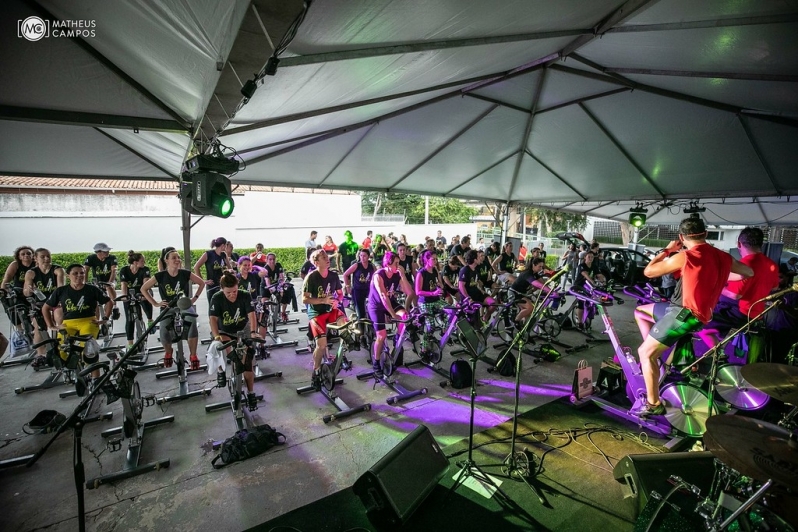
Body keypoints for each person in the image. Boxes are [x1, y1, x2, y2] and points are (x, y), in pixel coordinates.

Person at [632, 217, 753, 417]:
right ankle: (656, 352)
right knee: (640, 311)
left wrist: (667, 250)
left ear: (681, 237)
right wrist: (717, 274)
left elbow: (649, 272)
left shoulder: (686, 255)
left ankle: (653, 404)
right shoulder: (722, 256)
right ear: (705, 234)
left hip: (684, 314)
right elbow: (747, 272)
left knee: (644, 353)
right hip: (698, 315)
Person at [697, 227, 780, 349]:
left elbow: (735, 295)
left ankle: (719, 355)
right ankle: (720, 343)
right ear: (761, 244)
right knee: (716, 325)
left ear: (739, 244)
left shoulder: (745, 264)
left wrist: (716, 286)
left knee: (699, 325)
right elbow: (775, 287)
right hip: (757, 313)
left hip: (740, 312)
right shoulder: (772, 264)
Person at [43, 264, 110, 378]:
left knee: (89, 349)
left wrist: (105, 318)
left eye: (82, 273)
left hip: (88, 321)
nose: (79, 275)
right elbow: (45, 308)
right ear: (68, 276)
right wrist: (51, 325)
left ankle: (96, 379)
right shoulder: (61, 290)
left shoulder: (92, 289)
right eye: (75, 273)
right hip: (69, 323)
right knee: (62, 347)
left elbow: (109, 302)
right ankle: (70, 369)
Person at [142, 250, 205, 369]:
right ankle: (168, 351)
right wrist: (155, 303)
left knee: (192, 321)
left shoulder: (185, 273)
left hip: (184, 305)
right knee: (163, 327)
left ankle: (193, 355)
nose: (177, 260)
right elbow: (143, 289)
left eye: (178, 257)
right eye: (174, 258)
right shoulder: (160, 276)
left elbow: (201, 283)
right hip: (168, 307)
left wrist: (194, 299)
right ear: (166, 260)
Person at [209, 271, 261, 410]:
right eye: (228, 293)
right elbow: (213, 319)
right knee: (223, 348)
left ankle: (251, 392)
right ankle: (221, 370)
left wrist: (253, 332)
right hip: (224, 331)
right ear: (222, 289)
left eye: (235, 291)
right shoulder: (217, 297)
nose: (232, 295)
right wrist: (216, 336)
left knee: (247, 363)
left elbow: (251, 315)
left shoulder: (244, 295)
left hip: (242, 329)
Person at [302, 250, 346, 388]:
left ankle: (342, 355)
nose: (327, 259)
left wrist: (337, 301)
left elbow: (340, 294)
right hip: (316, 313)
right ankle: (316, 371)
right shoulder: (311, 277)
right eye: (324, 257)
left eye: (327, 256)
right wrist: (323, 300)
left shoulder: (333, 275)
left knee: (345, 324)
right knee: (321, 345)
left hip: (330, 310)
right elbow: (305, 299)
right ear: (316, 262)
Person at [367, 252, 414, 376]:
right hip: (376, 305)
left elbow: (409, 292)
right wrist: (393, 315)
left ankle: (397, 337)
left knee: (405, 316)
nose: (398, 266)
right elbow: (383, 296)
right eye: (396, 263)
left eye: (399, 263)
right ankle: (376, 362)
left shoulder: (397, 274)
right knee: (381, 335)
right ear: (388, 264)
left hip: (390, 302)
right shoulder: (379, 275)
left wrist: (403, 275)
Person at [23, 248, 64, 361]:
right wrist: (29, 290)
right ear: (36, 259)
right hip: (40, 303)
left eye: (48, 256)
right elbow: (26, 293)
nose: (46, 259)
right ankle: (41, 354)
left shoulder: (57, 270)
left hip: (55, 301)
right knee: (38, 326)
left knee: (59, 317)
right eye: (42, 257)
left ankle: (63, 347)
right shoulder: (31, 273)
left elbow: (61, 288)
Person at [118, 251, 154, 350]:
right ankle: (130, 344)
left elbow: (146, 283)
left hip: (142, 291)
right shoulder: (124, 270)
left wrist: (144, 295)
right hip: (130, 294)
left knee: (146, 301)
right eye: (142, 261)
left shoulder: (145, 269)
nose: (144, 262)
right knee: (129, 319)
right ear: (135, 262)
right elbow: (123, 284)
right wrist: (124, 296)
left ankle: (150, 320)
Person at [344, 248, 376, 345]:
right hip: (358, 291)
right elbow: (346, 274)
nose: (362, 257)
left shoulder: (371, 266)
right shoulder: (356, 265)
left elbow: (376, 276)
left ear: (368, 256)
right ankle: (361, 336)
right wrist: (348, 286)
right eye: (361, 255)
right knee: (360, 313)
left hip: (368, 290)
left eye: (364, 256)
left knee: (372, 310)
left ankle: (373, 331)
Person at [2, 245, 35, 331]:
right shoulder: (15, 264)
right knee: (11, 306)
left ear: (33, 255)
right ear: (19, 256)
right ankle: (20, 329)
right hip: (18, 291)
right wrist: (2, 291)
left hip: (33, 291)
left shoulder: (36, 264)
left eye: (28, 253)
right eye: (23, 254)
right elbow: (6, 279)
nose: (26, 255)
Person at [459, 250, 496, 324]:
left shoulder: (475, 270)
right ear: (475, 260)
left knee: (493, 303)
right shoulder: (465, 270)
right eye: (479, 257)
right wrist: (468, 298)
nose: (481, 259)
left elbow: (477, 282)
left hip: (477, 294)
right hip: (469, 297)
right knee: (473, 321)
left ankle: (484, 319)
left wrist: (482, 290)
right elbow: (461, 286)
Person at [84, 242, 117, 321]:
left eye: (108, 251)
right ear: (98, 252)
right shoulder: (91, 258)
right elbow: (85, 270)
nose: (108, 252)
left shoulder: (112, 257)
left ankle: (115, 306)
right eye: (105, 251)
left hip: (110, 279)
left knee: (109, 287)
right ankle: (96, 320)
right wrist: (85, 283)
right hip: (98, 280)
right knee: (95, 300)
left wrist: (110, 282)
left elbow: (114, 270)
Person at [261, 252, 298, 321]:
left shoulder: (278, 265)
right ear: (267, 260)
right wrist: (272, 289)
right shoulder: (265, 269)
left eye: (274, 259)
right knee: (264, 302)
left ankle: (283, 312)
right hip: (266, 286)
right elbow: (267, 282)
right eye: (270, 259)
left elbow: (281, 278)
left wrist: (281, 287)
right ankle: (265, 316)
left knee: (285, 294)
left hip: (276, 284)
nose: (272, 261)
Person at [194, 237, 232, 303]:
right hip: (212, 285)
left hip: (222, 285)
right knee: (213, 305)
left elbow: (230, 268)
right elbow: (196, 267)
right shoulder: (208, 254)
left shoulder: (224, 255)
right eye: (226, 245)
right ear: (223, 245)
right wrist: (202, 281)